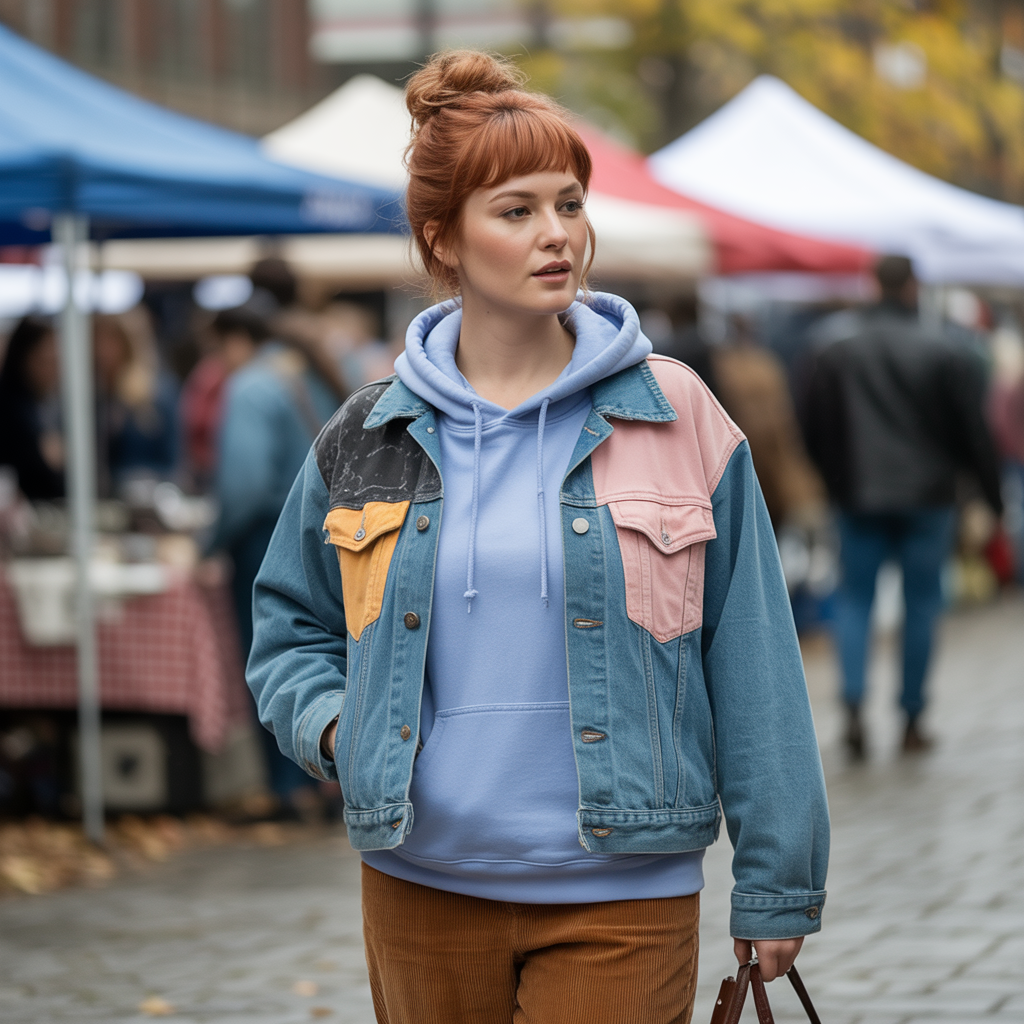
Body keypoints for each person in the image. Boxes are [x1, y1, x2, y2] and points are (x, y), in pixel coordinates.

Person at [248, 51, 828, 1024]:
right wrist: (342, 733)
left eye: (568, 202)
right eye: (515, 211)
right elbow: (286, 624)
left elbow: (755, 658)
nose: (556, 233)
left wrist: (776, 880)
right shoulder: (367, 432)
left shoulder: (674, 412)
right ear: (444, 239)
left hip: (622, 885)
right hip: (419, 879)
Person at [804, 255, 1003, 757]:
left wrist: (833, 481)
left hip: (857, 494)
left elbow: (812, 425)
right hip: (928, 497)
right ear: (914, 286)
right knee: (922, 604)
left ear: (872, 285)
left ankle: (852, 703)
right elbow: (974, 434)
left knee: (854, 599)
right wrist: (991, 495)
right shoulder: (947, 350)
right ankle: (912, 717)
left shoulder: (834, 349)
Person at [208, 291, 344, 820]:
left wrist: (210, 543)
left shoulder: (252, 386)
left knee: (276, 655)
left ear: (238, 340)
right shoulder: (325, 369)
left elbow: (243, 483)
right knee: (334, 649)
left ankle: (288, 790)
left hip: (267, 537)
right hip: (342, 536)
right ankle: (328, 782)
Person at [92, 310, 180, 493]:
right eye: (97, 340)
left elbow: (174, 459)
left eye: (111, 340)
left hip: (150, 494)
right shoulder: (88, 394)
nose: (103, 349)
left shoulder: (157, 391)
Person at [0, 316, 64, 500]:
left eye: (57, 359)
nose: (54, 368)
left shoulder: (53, 403)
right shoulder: (11, 409)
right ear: (24, 357)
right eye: (46, 360)